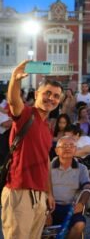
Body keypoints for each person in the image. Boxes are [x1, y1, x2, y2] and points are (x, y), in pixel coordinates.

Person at [2, 60, 63, 238]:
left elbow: (45, 161)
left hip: (40, 196)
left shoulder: (47, 128)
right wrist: (15, 79)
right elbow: (13, 101)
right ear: (37, 94)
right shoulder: (27, 114)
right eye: (47, 93)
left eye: (56, 96)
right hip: (19, 192)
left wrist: (49, 193)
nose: (51, 98)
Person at [49, 136, 90, 239]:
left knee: (80, 224)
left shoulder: (82, 168)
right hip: (50, 207)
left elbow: (87, 188)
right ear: (56, 151)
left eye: (71, 145)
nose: (68, 148)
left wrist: (81, 203)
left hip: (71, 208)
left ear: (75, 150)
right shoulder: (48, 167)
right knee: (43, 221)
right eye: (64, 146)